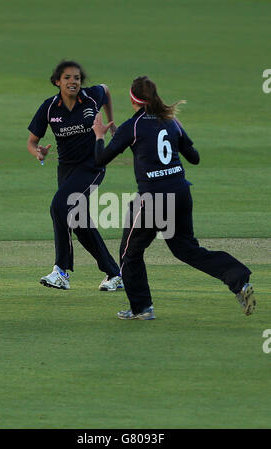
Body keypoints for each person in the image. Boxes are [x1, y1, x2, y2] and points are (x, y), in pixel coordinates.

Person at [92, 75, 256, 319]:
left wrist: (99, 135)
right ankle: (238, 279)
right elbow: (195, 157)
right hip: (180, 193)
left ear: (132, 99)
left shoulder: (133, 126)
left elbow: (100, 160)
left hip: (154, 199)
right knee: (186, 249)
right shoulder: (171, 121)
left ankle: (142, 308)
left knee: (130, 254)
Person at [27, 60, 123, 291]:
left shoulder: (91, 97)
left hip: (92, 166)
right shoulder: (49, 108)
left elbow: (106, 89)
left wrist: (111, 122)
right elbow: (32, 142)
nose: (73, 82)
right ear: (57, 81)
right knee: (78, 222)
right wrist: (38, 153)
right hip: (66, 169)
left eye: (77, 78)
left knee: (59, 206)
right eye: (68, 78)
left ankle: (61, 271)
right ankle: (115, 274)